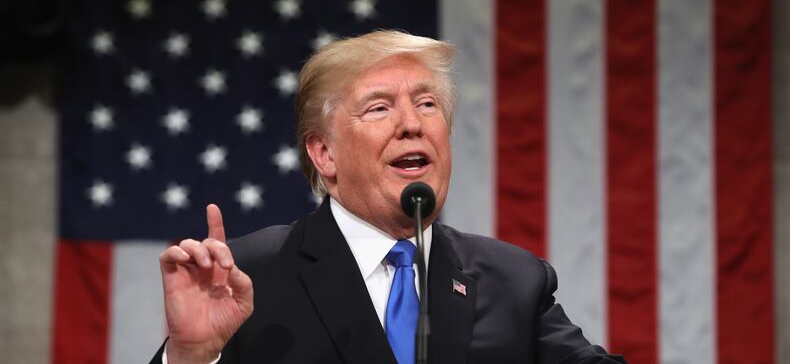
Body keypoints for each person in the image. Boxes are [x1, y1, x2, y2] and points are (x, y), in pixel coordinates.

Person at [151, 31, 627, 364]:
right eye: (379, 108)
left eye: (427, 104)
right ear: (324, 153)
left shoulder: (514, 281)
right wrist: (191, 357)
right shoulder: (250, 275)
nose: (412, 123)